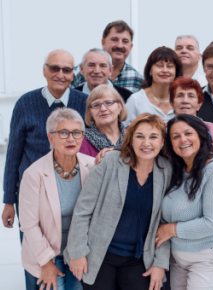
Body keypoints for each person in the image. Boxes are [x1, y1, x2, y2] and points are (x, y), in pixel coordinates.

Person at [1, 49, 87, 290]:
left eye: (67, 70)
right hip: (33, 198)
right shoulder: (26, 103)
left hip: (72, 193)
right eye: (54, 68)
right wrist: (9, 199)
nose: (60, 74)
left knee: (74, 267)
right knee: (38, 267)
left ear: (74, 74)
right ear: (44, 70)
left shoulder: (83, 103)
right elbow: (14, 154)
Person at [65, 113, 172, 290]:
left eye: (153, 137)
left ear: (162, 142)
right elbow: (82, 211)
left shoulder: (167, 170)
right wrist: (77, 253)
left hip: (138, 258)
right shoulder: (110, 161)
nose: (146, 143)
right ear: (130, 140)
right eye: (140, 136)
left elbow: (164, 222)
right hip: (98, 254)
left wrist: (160, 263)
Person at [19, 108, 94, 290]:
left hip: (81, 251)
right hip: (48, 253)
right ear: (50, 138)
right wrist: (46, 263)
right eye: (63, 133)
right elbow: (29, 225)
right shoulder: (33, 174)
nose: (71, 139)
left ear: (82, 137)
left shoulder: (92, 166)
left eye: (76, 133)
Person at [156, 114, 213, 290]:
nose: (182, 139)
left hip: (207, 257)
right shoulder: (177, 168)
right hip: (178, 258)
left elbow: (212, 223)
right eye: (175, 136)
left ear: (200, 135)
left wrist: (171, 229)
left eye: (188, 133)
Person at [71, 20, 143, 93]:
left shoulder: (138, 79)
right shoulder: (76, 73)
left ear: (130, 47)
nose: (119, 45)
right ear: (103, 42)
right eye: (114, 40)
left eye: (125, 41)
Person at [169, 77, 213, 158]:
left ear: (199, 104)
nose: (185, 101)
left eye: (191, 96)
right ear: (172, 103)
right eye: (180, 95)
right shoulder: (162, 130)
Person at [124, 47, 183, 125]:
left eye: (169, 66)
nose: (165, 70)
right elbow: (124, 132)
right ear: (150, 71)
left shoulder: (183, 99)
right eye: (159, 65)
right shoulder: (136, 101)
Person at [79, 85, 127, 157]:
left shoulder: (133, 136)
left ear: (119, 107)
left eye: (108, 103)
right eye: (96, 105)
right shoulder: (82, 141)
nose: (103, 109)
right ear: (90, 112)